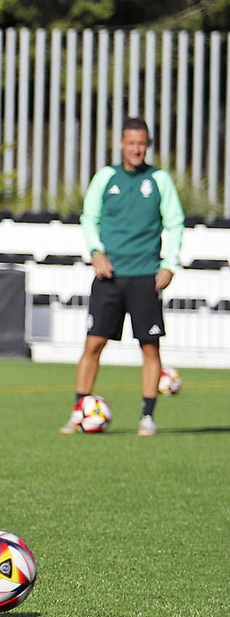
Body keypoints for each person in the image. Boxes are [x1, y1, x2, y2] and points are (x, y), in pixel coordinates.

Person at [60, 118, 185, 436]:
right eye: (131, 143)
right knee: (93, 344)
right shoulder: (106, 177)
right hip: (109, 277)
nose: (136, 149)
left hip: (145, 276)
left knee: (150, 347)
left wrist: (169, 264)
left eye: (141, 143)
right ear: (121, 144)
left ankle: (147, 417)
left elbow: (175, 223)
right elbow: (89, 217)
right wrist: (95, 252)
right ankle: (78, 413)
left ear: (148, 145)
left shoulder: (159, 180)